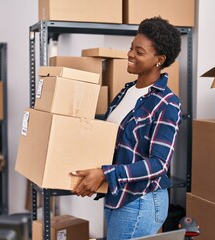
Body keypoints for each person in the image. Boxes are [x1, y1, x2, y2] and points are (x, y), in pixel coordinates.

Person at [71, 16, 182, 239]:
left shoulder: (167, 103)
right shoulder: (127, 92)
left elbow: (159, 164)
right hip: (118, 194)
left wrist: (105, 173)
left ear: (159, 59)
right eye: (131, 48)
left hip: (141, 200)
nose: (130, 54)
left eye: (139, 52)